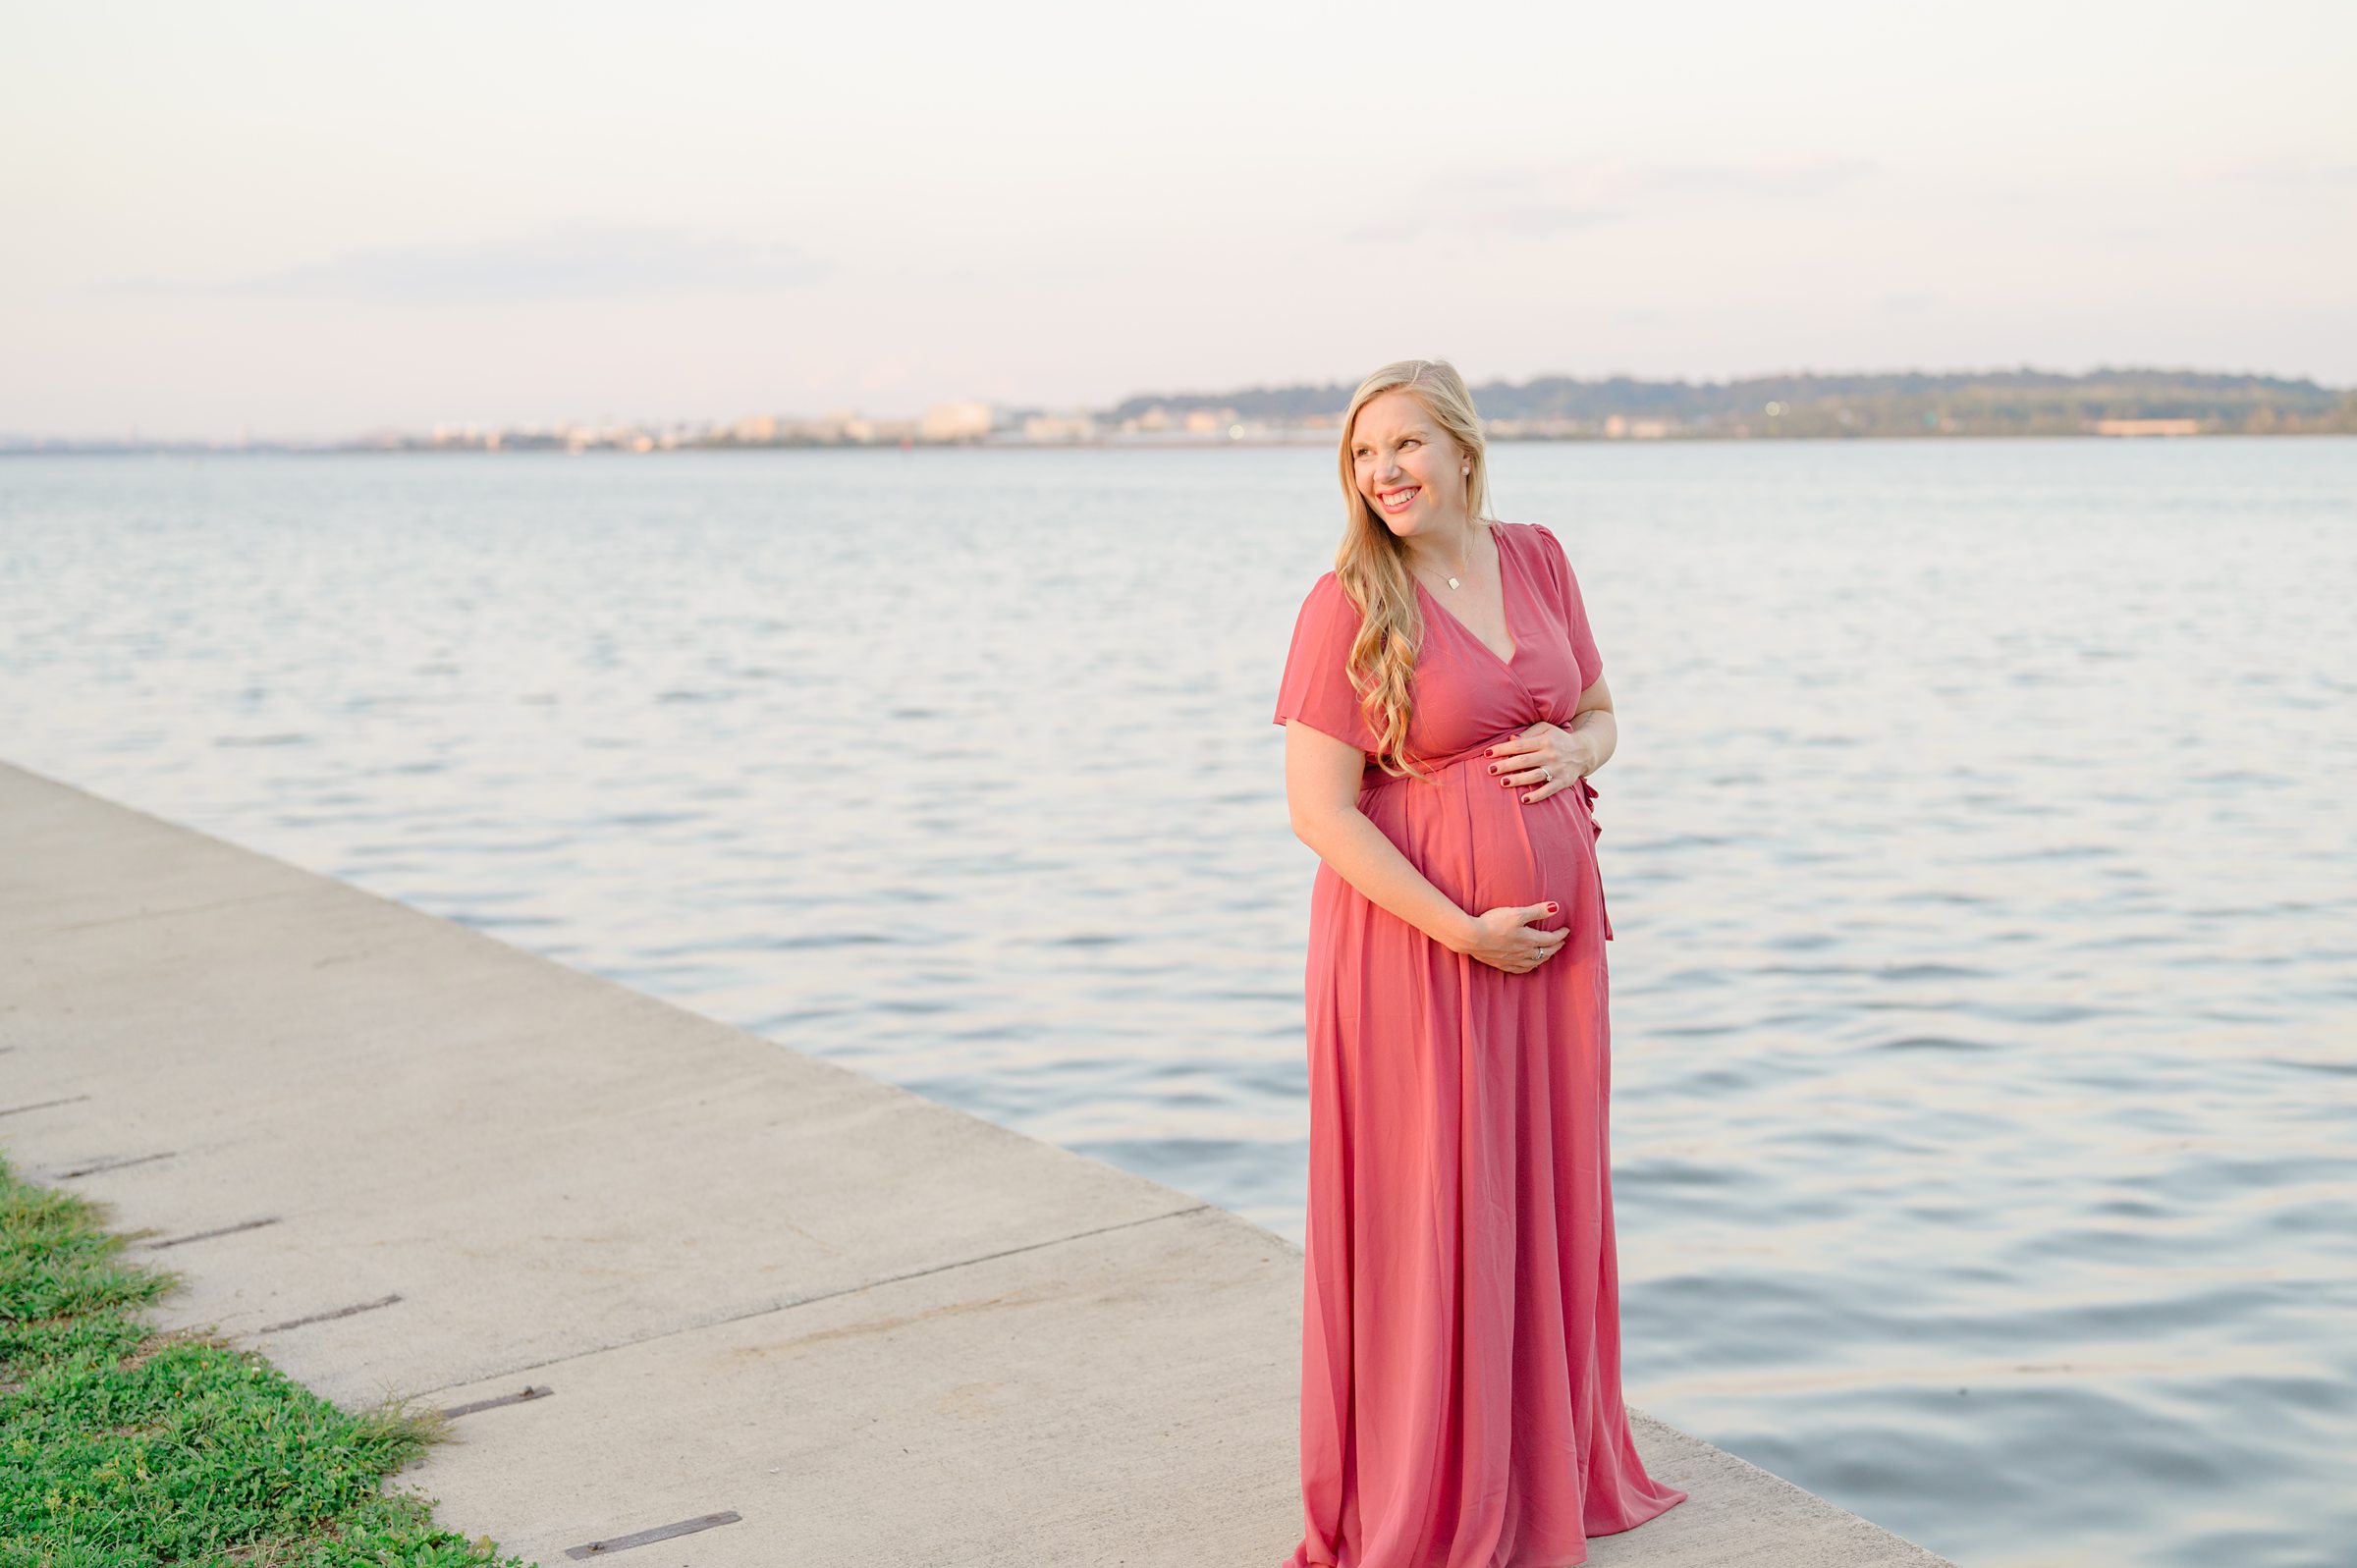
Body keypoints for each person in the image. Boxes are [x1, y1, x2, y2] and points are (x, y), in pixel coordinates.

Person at [1273, 358, 1689, 1566]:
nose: (1385, 472)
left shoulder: (1540, 557)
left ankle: (1541, 1467)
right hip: (1420, 954)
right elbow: (1321, 812)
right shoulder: (1348, 600)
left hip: (1553, 963)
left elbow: (1605, 709)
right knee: (1439, 1204)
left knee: (1540, 1195)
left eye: (1404, 445)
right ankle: (1435, 1489)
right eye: (1362, 455)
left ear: (1462, 448)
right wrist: (1463, 929)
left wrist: (1577, 746)